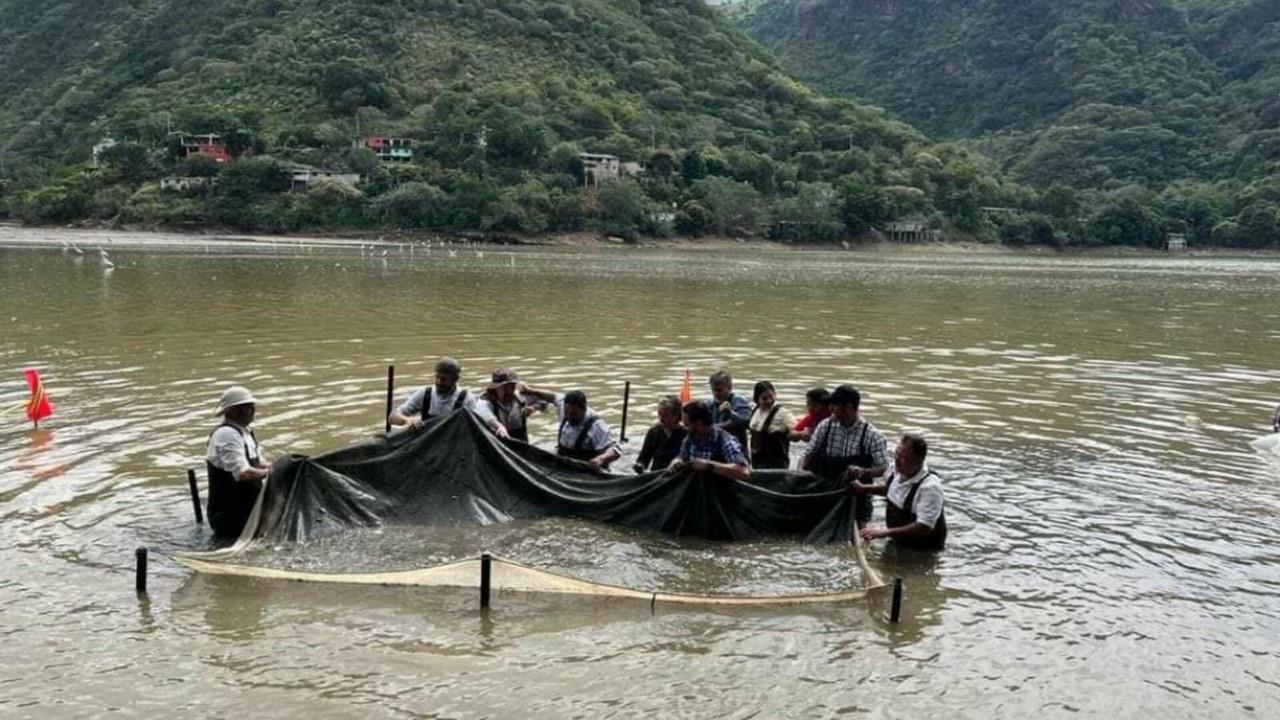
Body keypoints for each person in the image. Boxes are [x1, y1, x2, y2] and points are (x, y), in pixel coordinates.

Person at [800, 384, 888, 524]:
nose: (831, 409)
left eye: (835, 406)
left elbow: (884, 468)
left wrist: (864, 472)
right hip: (824, 496)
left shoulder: (872, 435)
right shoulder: (825, 426)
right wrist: (801, 477)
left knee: (860, 531)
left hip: (856, 501)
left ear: (848, 408)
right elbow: (808, 454)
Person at [857, 433, 947, 551]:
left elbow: (924, 527)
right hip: (898, 540)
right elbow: (891, 490)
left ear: (918, 460)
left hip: (923, 549)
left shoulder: (930, 487)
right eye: (897, 453)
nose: (897, 460)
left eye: (904, 457)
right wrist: (863, 488)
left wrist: (884, 532)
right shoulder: (896, 468)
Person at [205, 386, 272, 539]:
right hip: (231, 514)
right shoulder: (227, 434)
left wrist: (278, 466)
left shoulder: (246, 431)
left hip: (249, 508)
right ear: (234, 411)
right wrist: (270, 473)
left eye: (252, 406)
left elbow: (258, 462)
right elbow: (242, 473)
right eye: (248, 407)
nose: (253, 410)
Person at [388, 357, 507, 438]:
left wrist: (499, 427)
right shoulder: (425, 394)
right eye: (437, 377)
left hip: (452, 448)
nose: (439, 382)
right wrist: (407, 420)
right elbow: (392, 417)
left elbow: (482, 421)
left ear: (455, 379)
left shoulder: (466, 398)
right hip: (425, 443)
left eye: (444, 379)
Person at [522, 386, 621, 471]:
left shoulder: (596, 425)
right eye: (567, 413)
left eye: (574, 414)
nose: (569, 417)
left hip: (586, 470)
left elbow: (615, 450)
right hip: (564, 463)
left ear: (584, 409)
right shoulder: (564, 406)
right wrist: (531, 391)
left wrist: (601, 459)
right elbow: (553, 397)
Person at [670, 401, 750, 481]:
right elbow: (682, 456)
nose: (684, 428)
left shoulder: (724, 440)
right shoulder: (689, 439)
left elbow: (743, 472)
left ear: (699, 424)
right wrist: (677, 461)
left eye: (687, 425)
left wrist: (709, 465)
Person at [747, 380, 795, 469]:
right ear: (757, 399)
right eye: (764, 398)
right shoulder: (755, 411)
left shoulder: (783, 413)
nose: (769, 401)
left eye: (771, 397)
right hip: (756, 461)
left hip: (776, 463)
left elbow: (794, 429)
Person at [634, 395, 688, 473]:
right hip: (656, 475)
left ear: (676, 416)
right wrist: (640, 465)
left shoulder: (686, 434)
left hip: (677, 475)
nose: (661, 419)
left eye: (666, 415)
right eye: (660, 414)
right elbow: (643, 458)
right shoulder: (654, 432)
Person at [481, 369, 538, 442]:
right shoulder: (485, 401)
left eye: (511, 387)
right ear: (495, 388)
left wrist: (533, 408)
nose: (509, 391)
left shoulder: (520, 398)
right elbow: (486, 415)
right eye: (504, 388)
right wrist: (499, 426)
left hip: (521, 443)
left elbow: (543, 402)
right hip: (497, 442)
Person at [708, 369, 751, 449]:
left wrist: (730, 413)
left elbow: (747, 423)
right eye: (713, 390)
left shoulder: (738, 401)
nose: (716, 393)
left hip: (736, 449)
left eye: (719, 390)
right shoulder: (710, 404)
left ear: (730, 387)